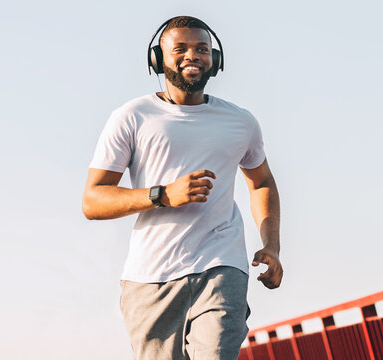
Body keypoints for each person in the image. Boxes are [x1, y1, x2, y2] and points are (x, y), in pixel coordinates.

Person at [82, 16, 283, 360]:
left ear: (214, 61)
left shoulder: (241, 122)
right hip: (150, 279)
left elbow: (261, 181)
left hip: (222, 265)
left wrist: (272, 246)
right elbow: (93, 199)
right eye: (181, 49)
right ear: (158, 60)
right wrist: (162, 195)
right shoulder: (132, 117)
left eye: (202, 49)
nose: (193, 55)